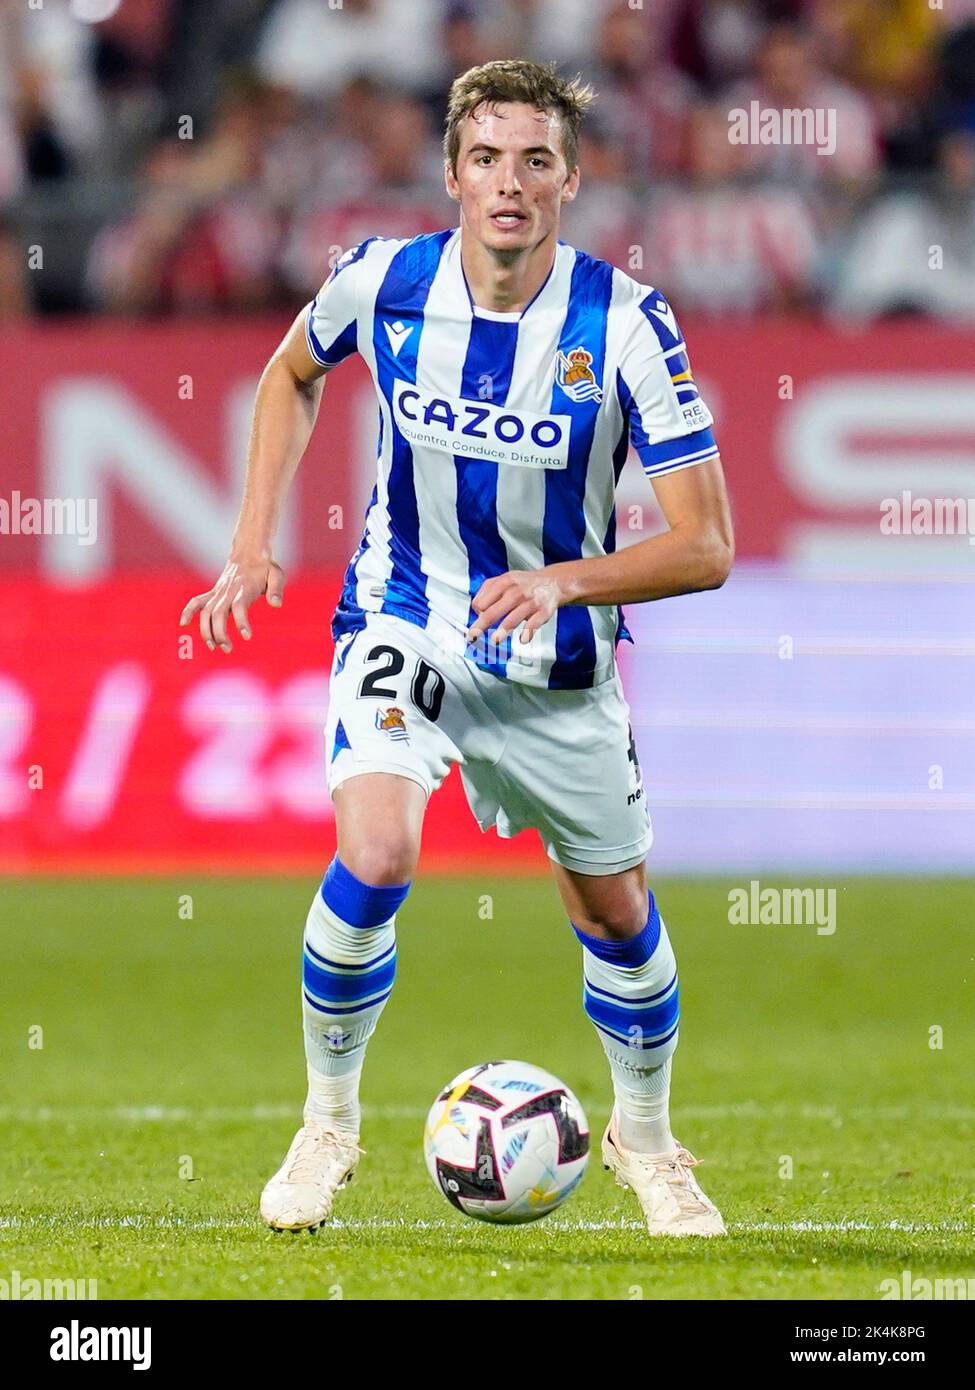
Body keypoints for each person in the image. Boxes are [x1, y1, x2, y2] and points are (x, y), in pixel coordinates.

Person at [179, 59, 734, 1238]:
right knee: (374, 855)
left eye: (537, 161)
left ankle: (646, 1141)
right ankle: (329, 1124)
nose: (510, 185)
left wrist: (562, 579)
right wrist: (251, 541)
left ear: (572, 181)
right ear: (451, 176)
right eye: (486, 159)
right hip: (409, 621)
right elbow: (290, 372)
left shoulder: (628, 323)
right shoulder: (382, 281)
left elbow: (709, 544)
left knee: (619, 916)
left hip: (558, 665)